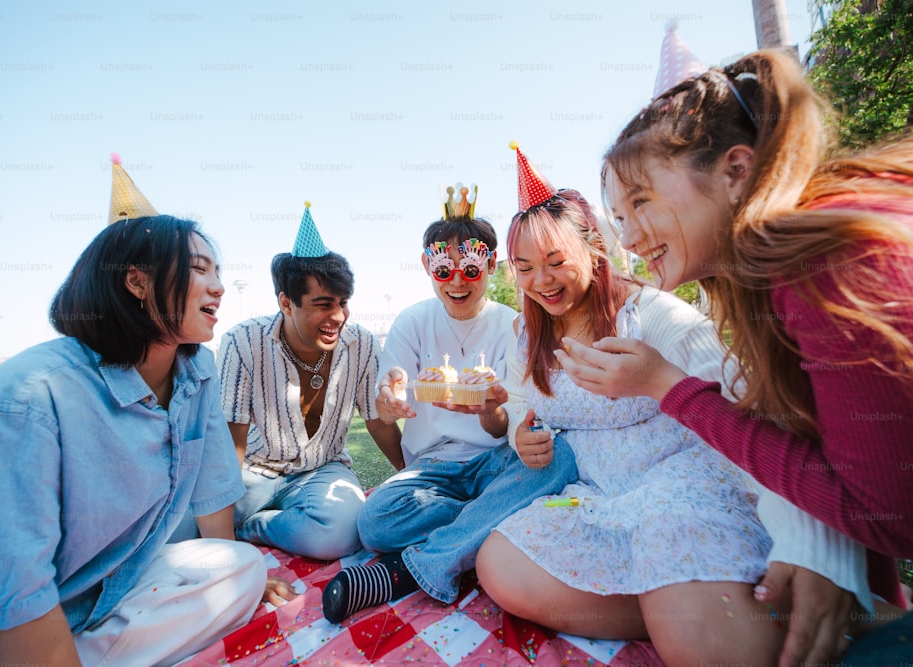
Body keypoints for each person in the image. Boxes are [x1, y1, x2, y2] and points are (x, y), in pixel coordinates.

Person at [567, 49, 913, 665]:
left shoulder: (827, 266)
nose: (627, 237)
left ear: (736, 170)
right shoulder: (781, 264)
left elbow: (894, 518)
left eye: (643, 202)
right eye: (619, 217)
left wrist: (666, 386)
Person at [0, 157, 294, 666]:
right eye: (198, 269)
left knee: (242, 567)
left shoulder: (198, 372)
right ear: (137, 282)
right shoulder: (24, 402)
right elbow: (11, 596)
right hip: (1, 639)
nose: (218, 287)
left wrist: (248, 577)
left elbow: (212, 501)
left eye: (219, 272)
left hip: (115, 592)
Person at [475, 143, 785, 666]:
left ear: (594, 249)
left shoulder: (649, 313)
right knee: (497, 566)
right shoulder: (522, 333)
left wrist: (785, 520)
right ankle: (678, 606)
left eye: (555, 262)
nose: (541, 282)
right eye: (524, 268)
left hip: (676, 481)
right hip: (594, 493)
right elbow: (523, 413)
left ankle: (695, 610)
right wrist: (523, 438)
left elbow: (745, 398)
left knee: (699, 641)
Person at [321, 183, 577, 624]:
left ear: (492, 265)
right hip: (433, 470)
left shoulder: (512, 325)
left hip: (495, 461)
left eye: (471, 269)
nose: (457, 281)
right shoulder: (412, 322)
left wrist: (491, 412)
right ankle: (492, 521)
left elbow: (504, 425)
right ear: (426, 265)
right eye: (444, 269)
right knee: (376, 522)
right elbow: (388, 399)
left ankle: (410, 568)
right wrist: (390, 400)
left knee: (562, 459)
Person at [218, 202, 404, 561]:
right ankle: (243, 524)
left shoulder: (362, 342)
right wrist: (226, 550)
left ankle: (255, 528)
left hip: (323, 470)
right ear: (286, 303)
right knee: (190, 530)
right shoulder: (242, 342)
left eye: (343, 302)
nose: (338, 316)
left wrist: (411, 477)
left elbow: (379, 423)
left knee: (340, 536)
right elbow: (232, 441)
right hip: (253, 472)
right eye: (323, 304)